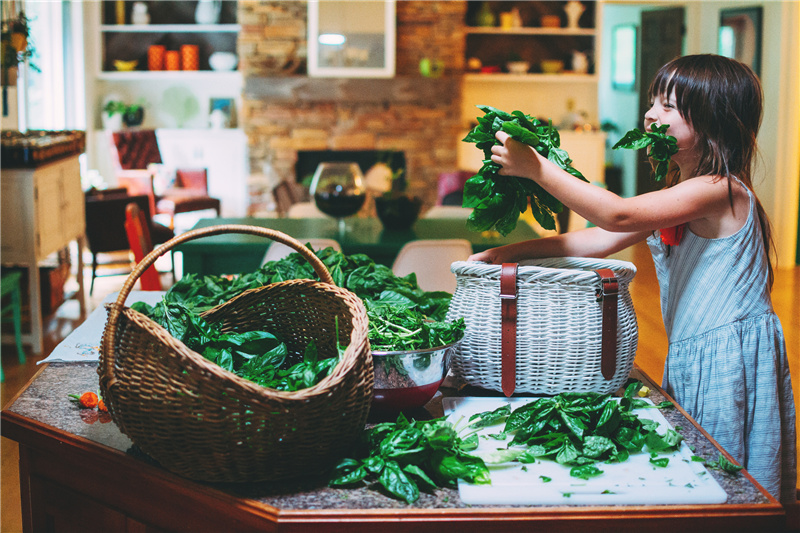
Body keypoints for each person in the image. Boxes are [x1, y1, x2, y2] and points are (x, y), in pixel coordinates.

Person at [468, 54, 796, 504]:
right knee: (700, 468)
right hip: (694, 349)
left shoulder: (720, 189)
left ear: (713, 120)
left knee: (725, 475)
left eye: (669, 106)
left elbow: (617, 213)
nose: (650, 115)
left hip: (727, 358)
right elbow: (597, 240)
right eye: (652, 102)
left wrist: (539, 168)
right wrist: (506, 255)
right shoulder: (681, 192)